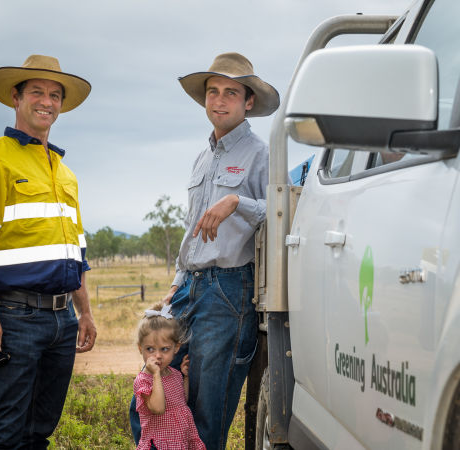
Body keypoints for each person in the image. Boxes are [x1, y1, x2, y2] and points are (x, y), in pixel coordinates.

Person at [130, 52, 279, 449]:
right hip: (190, 286)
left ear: (248, 102)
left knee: (206, 408)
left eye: (231, 92)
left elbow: (279, 213)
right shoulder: (201, 158)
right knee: (150, 389)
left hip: (229, 290)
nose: (219, 99)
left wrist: (236, 202)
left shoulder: (261, 154)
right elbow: (193, 227)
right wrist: (178, 281)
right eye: (213, 91)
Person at [0, 54, 97, 448]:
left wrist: (84, 313)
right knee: (4, 432)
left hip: (63, 320)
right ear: (16, 97)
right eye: (37, 92)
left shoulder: (64, 172)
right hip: (16, 318)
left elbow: (75, 251)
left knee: (39, 430)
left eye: (54, 95)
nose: (46, 101)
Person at [134, 303, 206, 450]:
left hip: (180, 441)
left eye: (164, 349)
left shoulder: (174, 374)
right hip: (159, 443)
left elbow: (181, 401)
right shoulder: (143, 381)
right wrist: (156, 375)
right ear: (140, 348)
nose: (158, 355)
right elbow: (159, 408)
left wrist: (185, 377)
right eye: (150, 349)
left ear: (176, 348)